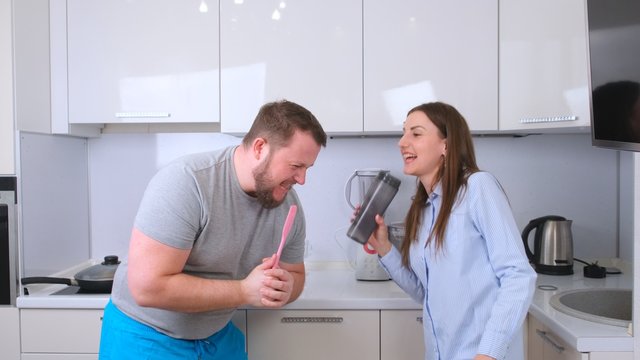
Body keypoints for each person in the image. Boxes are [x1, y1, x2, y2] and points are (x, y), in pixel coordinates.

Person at [99, 100, 327, 360]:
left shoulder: (288, 205)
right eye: (296, 166)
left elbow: (295, 273)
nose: (302, 180)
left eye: (307, 169)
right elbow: (147, 288)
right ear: (261, 148)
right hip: (145, 337)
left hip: (215, 338)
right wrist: (244, 291)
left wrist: (287, 288)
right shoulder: (186, 182)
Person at [366, 102, 537, 360]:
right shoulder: (423, 209)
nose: (402, 142)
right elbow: (427, 293)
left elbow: (518, 276)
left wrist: (489, 353)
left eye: (416, 133)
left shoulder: (478, 188)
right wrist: (384, 248)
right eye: (403, 132)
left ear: (445, 145)